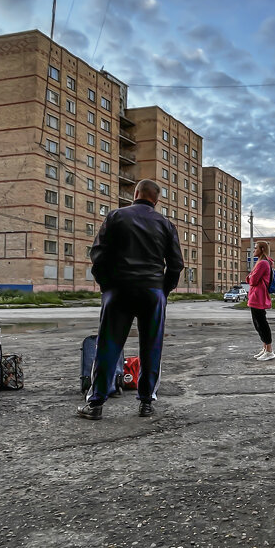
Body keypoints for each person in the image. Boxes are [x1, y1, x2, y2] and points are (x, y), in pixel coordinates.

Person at [78, 179, 184, 420]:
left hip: (119, 290)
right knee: (151, 347)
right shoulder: (166, 224)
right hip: (152, 292)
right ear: (156, 200)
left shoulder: (116, 216)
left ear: (135, 193)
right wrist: (162, 292)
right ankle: (146, 402)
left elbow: (98, 255)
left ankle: (96, 405)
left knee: (108, 346)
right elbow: (176, 265)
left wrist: (107, 286)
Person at [247, 240, 275, 361]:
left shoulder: (263, 263)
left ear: (262, 249)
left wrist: (250, 276)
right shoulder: (262, 262)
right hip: (255, 296)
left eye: (255, 248)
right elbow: (252, 278)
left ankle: (269, 351)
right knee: (258, 324)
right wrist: (251, 277)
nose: (253, 250)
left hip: (259, 296)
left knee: (262, 324)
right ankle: (265, 348)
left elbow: (252, 280)